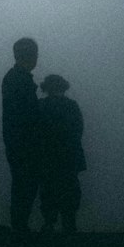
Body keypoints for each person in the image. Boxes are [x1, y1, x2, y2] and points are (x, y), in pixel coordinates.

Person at [36, 74, 86, 235]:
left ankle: (49, 223)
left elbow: (36, 131)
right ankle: (69, 224)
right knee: (70, 190)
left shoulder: (41, 105)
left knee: (48, 190)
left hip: (47, 156)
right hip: (69, 156)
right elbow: (78, 130)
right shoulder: (72, 106)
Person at [2, 36, 40, 238]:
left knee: (22, 186)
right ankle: (20, 229)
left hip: (16, 143)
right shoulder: (21, 79)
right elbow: (26, 115)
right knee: (25, 187)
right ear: (31, 56)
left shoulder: (12, 77)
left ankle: (19, 228)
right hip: (24, 144)